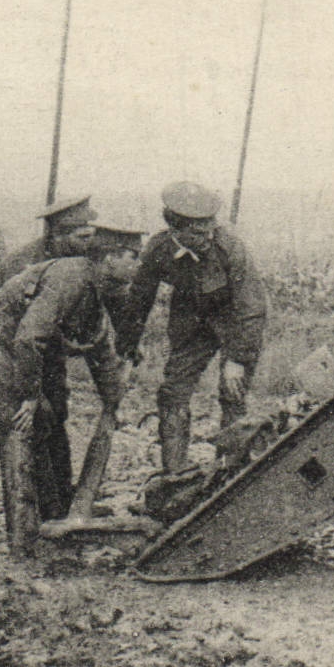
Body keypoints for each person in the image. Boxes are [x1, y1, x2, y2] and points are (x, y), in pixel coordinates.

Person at [0, 241, 135, 554]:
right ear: (109, 256)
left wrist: (112, 400)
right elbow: (28, 338)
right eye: (133, 255)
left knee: (49, 420)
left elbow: (101, 346)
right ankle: (23, 535)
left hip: (17, 348)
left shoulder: (102, 285)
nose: (138, 262)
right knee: (22, 426)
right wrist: (29, 395)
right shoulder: (72, 278)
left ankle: (57, 513)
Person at [114, 181, 267, 477]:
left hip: (235, 323)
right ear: (176, 229)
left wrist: (237, 358)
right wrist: (127, 349)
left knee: (232, 393)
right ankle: (176, 473)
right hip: (191, 326)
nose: (208, 235)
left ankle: (231, 472)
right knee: (172, 392)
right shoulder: (159, 248)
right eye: (198, 232)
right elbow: (139, 301)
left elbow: (251, 307)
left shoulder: (229, 247)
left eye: (211, 227)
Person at [0, 196, 99, 311]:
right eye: (82, 237)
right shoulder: (23, 263)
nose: (87, 243)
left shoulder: (75, 255)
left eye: (88, 236)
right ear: (58, 235)